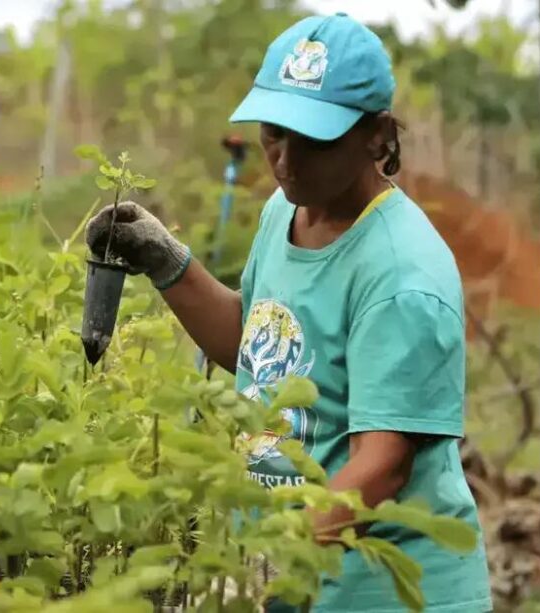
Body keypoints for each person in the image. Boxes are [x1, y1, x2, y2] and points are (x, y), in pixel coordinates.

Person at [85, 13, 491, 613]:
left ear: (377, 137)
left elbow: (381, 467)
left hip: (380, 595)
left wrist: (279, 560)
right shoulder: (288, 209)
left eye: (315, 139)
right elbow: (257, 345)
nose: (286, 159)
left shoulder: (402, 274)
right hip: (295, 579)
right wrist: (167, 262)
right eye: (275, 132)